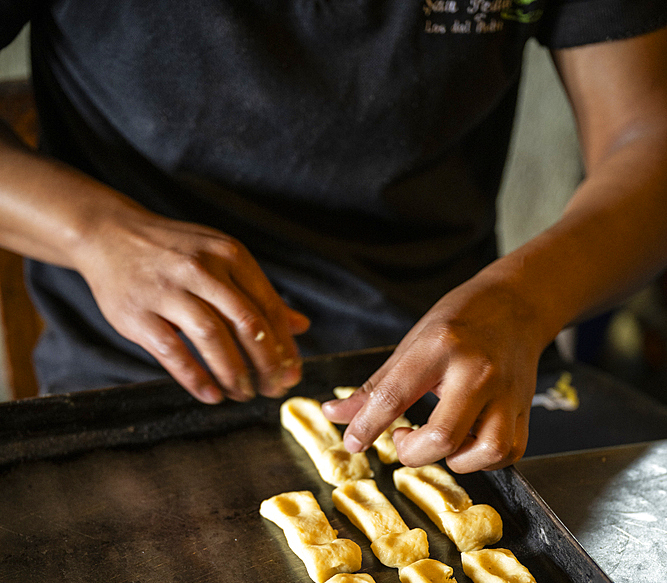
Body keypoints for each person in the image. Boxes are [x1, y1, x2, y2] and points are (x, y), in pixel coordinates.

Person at [0, 1, 666, 475]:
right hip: (141, 377)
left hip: (456, 373)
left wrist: (523, 301)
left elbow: (646, 140)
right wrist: (92, 231)